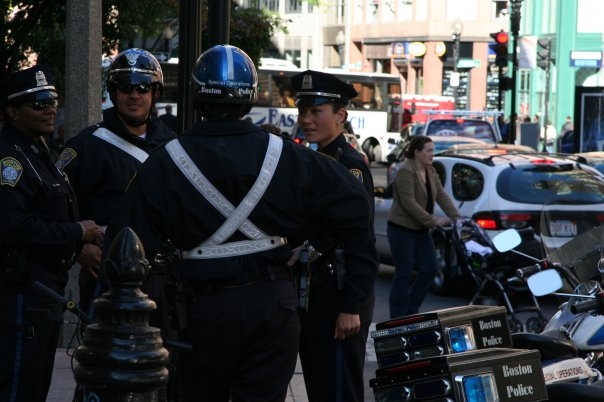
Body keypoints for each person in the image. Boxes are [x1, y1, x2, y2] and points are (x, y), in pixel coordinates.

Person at [103, 45, 377, 402]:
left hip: (201, 310)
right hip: (272, 307)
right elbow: (356, 210)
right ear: (249, 97)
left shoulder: (166, 160)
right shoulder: (288, 156)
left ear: (198, 95)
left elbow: (124, 241)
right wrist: (311, 237)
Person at [0, 65, 101, 402]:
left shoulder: (41, 152)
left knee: (36, 383)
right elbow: (14, 226)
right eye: (38, 103)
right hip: (22, 292)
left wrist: (76, 246)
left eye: (52, 100)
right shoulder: (10, 159)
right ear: (12, 112)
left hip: (46, 291)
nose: (49, 108)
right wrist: (77, 232)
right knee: (18, 386)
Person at [56, 48, 177, 321]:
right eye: (124, 88)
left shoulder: (173, 146)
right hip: (109, 276)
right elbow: (55, 207)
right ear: (113, 92)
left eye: (143, 87)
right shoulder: (86, 146)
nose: (134, 95)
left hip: (165, 278)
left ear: (155, 92)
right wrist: (77, 249)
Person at [291, 69, 378, 402]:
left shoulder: (350, 166)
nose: (307, 120)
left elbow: (360, 242)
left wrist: (350, 306)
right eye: (303, 111)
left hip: (340, 294)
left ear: (341, 115)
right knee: (319, 385)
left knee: (340, 389)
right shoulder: (311, 159)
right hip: (313, 295)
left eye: (316, 111)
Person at [387, 135, 460, 319]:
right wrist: (433, 220)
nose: (432, 154)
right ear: (417, 152)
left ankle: (411, 309)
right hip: (401, 229)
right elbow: (408, 203)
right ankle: (397, 316)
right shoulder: (406, 171)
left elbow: (441, 196)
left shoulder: (430, 170)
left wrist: (457, 217)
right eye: (428, 150)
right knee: (403, 273)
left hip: (420, 231)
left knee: (430, 269)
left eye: (433, 150)